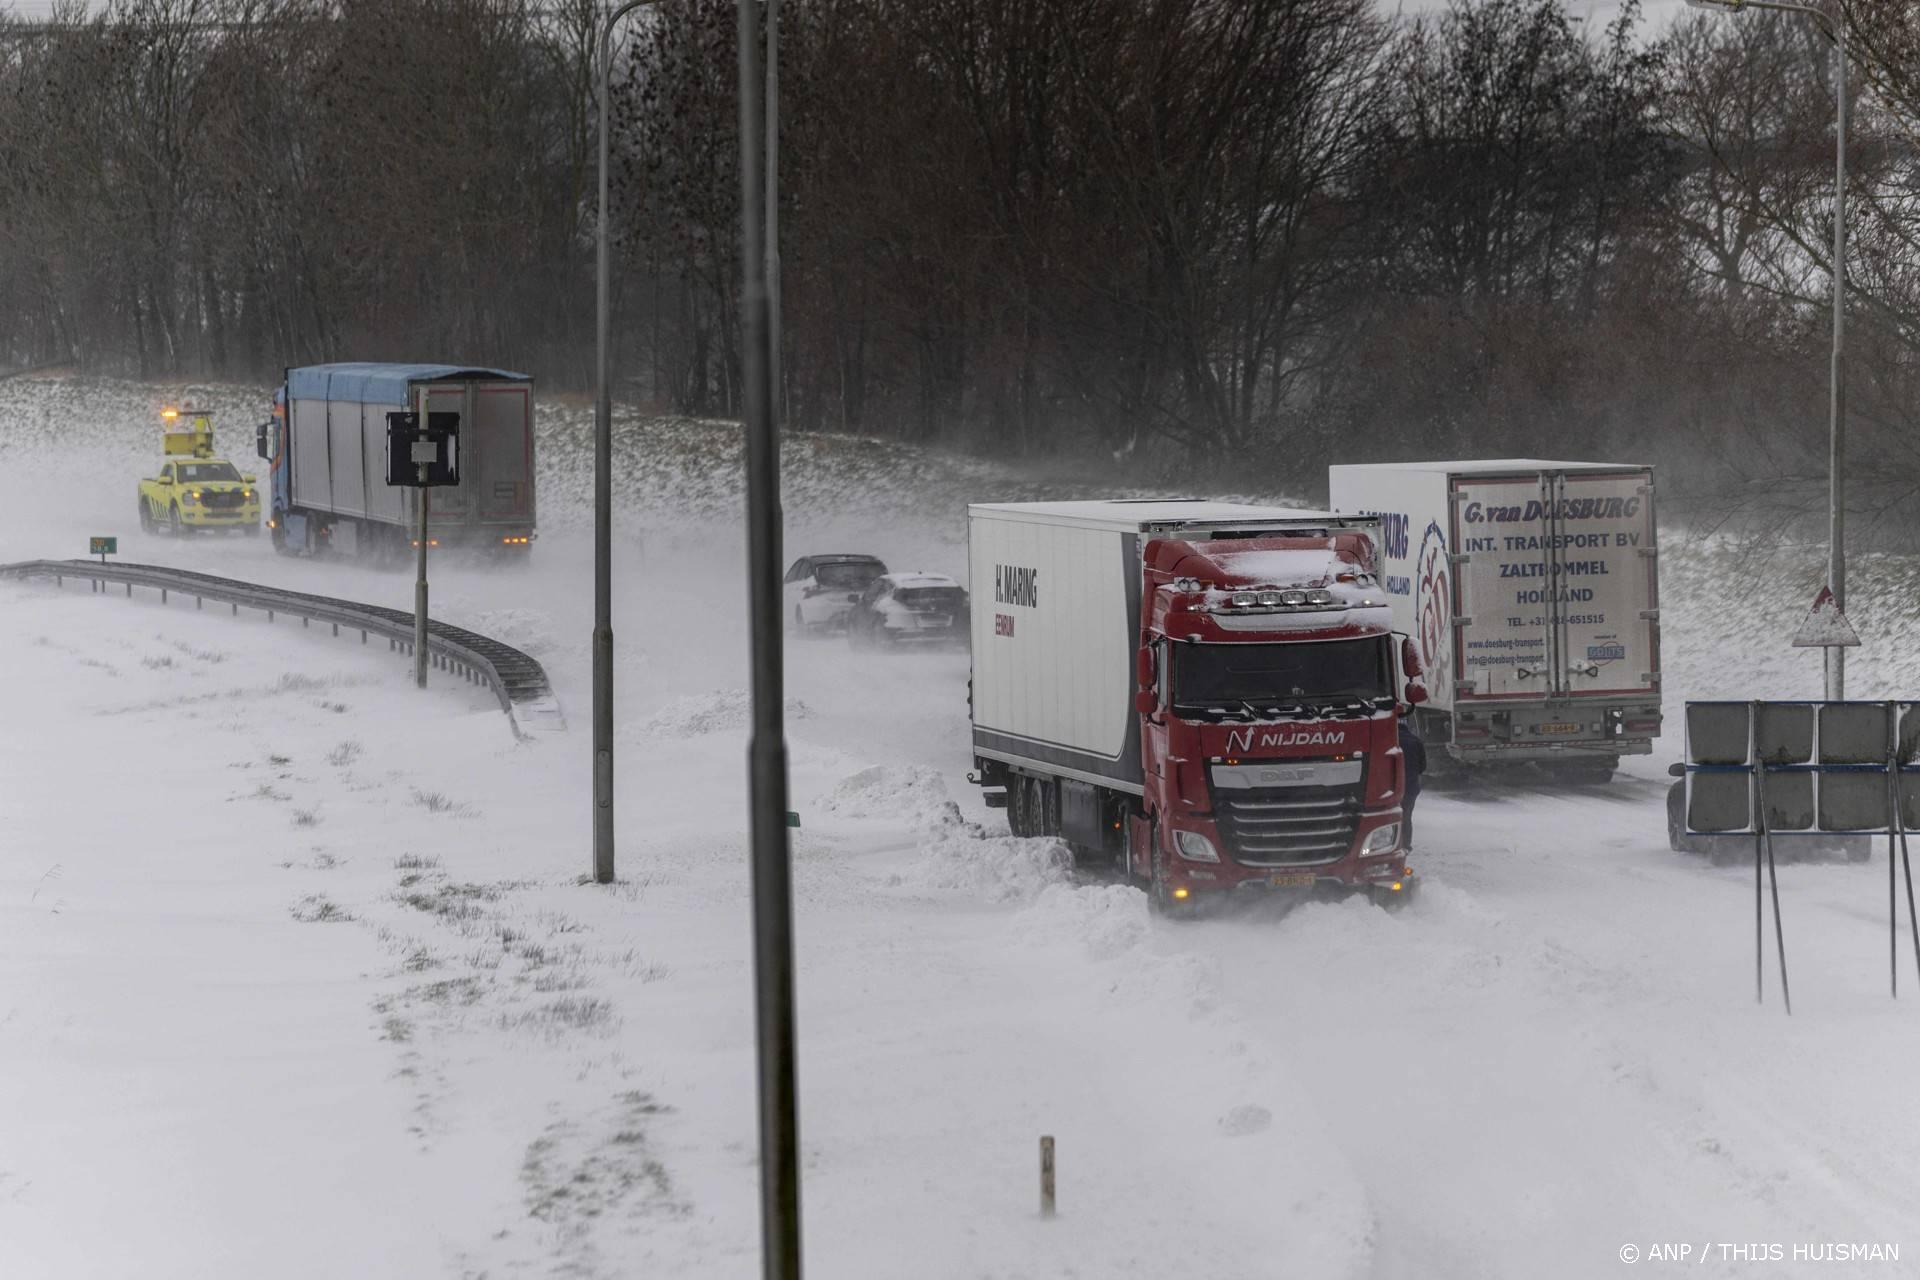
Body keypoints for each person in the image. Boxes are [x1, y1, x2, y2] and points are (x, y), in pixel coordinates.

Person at [1398, 715, 1427, 851]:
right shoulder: (1415, 741)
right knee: (1406, 816)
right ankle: (1406, 844)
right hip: (1411, 787)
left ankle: (1391, 844)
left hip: (1391, 787)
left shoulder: (1386, 740)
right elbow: (1423, 767)